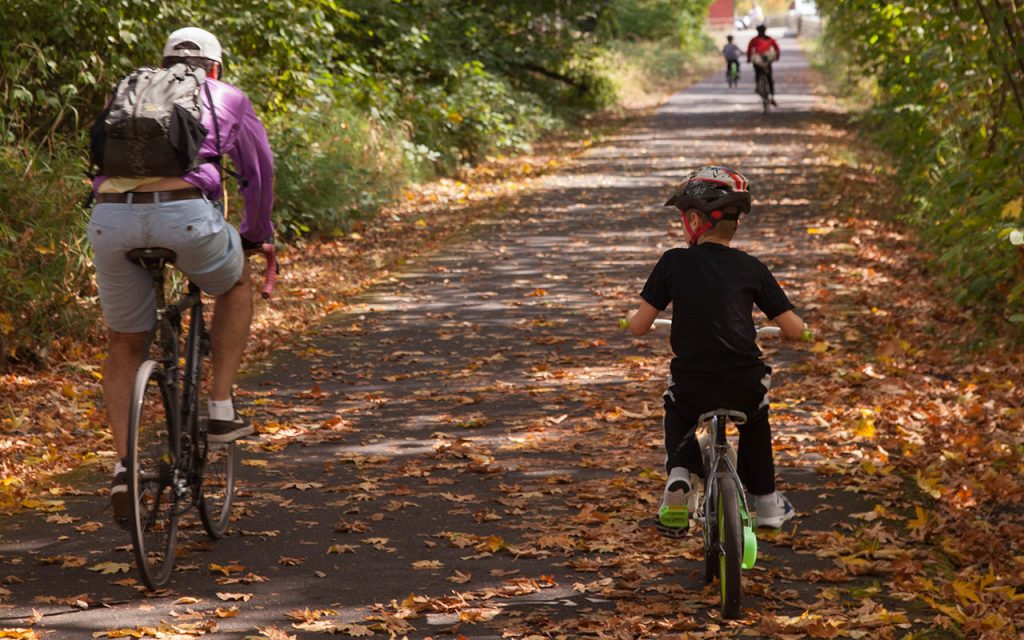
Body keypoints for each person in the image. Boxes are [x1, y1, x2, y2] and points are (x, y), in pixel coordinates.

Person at [88, 27, 274, 524]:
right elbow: (259, 171)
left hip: (110, 219)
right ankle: (219, 407)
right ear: (215, 67)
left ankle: (125, 465)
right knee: (235, 287)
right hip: (186, 216)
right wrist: (255, 234)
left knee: (125, 344)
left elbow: (97, 156)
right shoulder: (227, 96)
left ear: (164, 61)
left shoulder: (128, 90)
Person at [625, 166, 809, 532]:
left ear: (694, 220)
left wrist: (630, 318)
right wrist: (795, 333)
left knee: (677, 412)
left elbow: (640, 325)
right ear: (736, 224)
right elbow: (795, 329)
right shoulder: (752, 268)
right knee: (755, 422)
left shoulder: (673, 262)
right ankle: (769, 503)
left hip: (693, 382)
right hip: (743, 381)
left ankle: (680, 474)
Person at [747, 25, 780, 106]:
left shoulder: (754, 39)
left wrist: (748, 58)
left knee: (759, 74)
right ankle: (771, 95)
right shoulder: (770, 39)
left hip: (760, 60)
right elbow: (777, 49)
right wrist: (777, 57)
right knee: (769, 77)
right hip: (766, 60)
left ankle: (759, 86)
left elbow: (749, 50)